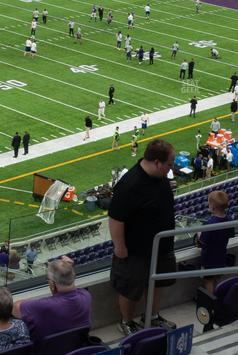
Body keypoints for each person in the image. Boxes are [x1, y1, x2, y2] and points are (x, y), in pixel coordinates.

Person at [109, 140, 178, 334]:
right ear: (157, 162)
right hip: (136, 249)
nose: (170, 168)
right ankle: (127, 321)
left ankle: (152, 316)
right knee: (130, 288)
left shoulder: (160, 177)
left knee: (158, 283)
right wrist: (120, 247)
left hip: (162, 245)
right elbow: (115, 218)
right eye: (169, 164)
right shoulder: (129, 184)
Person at [12, 256, 92, 344]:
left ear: (52, 283)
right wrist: (68, 269)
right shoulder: (85, 296)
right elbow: (73, 288)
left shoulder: (43, 306)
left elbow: (15, 308)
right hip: (78, 348)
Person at [197, 191, 231, 294]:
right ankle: (215, 295)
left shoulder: (210, 224)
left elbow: (202, 243)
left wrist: (199, 233)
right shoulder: (229, 219)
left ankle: (209, 299)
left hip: (208, 258)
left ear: (212, 207)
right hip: (221, 255)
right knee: (216, 277)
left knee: (208, 280)